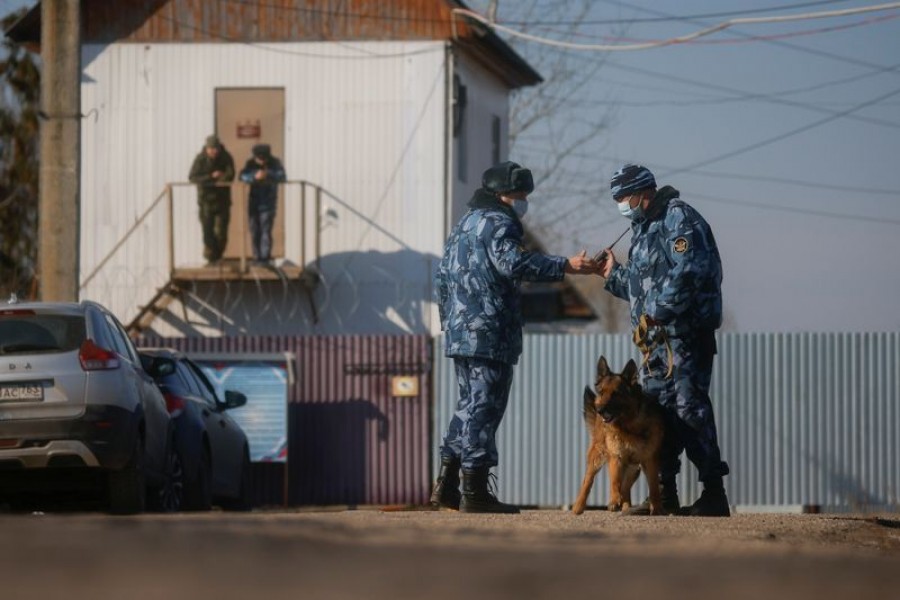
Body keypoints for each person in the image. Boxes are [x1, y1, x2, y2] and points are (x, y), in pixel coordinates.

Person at [431, 161, 596, 514]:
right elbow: (514, 265)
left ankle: (446, 485)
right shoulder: (500, 222)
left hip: (462, 331)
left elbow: (442, 279)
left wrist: (451, 324)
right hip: (490, 331)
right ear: (502, 195)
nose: (523, 202)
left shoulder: (463, 225)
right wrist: (565, 265)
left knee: (467, 405)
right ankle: (474, 492)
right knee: (485, 407)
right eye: (519, 195)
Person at [596, 163, 731, 517]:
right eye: (617, 199)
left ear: (645, 193)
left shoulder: (678, 219)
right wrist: (614, 275)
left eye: (624, 196)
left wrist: (661, 311)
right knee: (656, 415)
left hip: (684, 335)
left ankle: (713, 492)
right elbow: (642, 288)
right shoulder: (641, 230)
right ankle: (663, 495)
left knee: (689, 409)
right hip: (654, 343)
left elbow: (690, 272)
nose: (621, 204)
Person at [188, 135, 235, 264]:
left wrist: (220, 177)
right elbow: (193, 177)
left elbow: (230, 174)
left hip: (222, 201)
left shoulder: (226, 157)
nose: (213, 151)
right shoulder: (200, 159)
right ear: (206, 148)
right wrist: (210, 177)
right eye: (211, 148)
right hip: (206, 202)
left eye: (215, 148)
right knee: (207, 232)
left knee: (221, 233)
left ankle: (217, 257)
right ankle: (211, 257)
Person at [239, 144, 286, 264]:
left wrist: (268, 174)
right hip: (254, 202)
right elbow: (242, 176)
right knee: (254, 230)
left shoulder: (275, 163)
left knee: (266, 230)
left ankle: (265, 257)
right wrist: (254, 176)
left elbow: (282, 176)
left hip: (268, 203)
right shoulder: (250, 163)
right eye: (258, 158)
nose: (261, 160)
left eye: (263, 158)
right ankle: (256, 257)